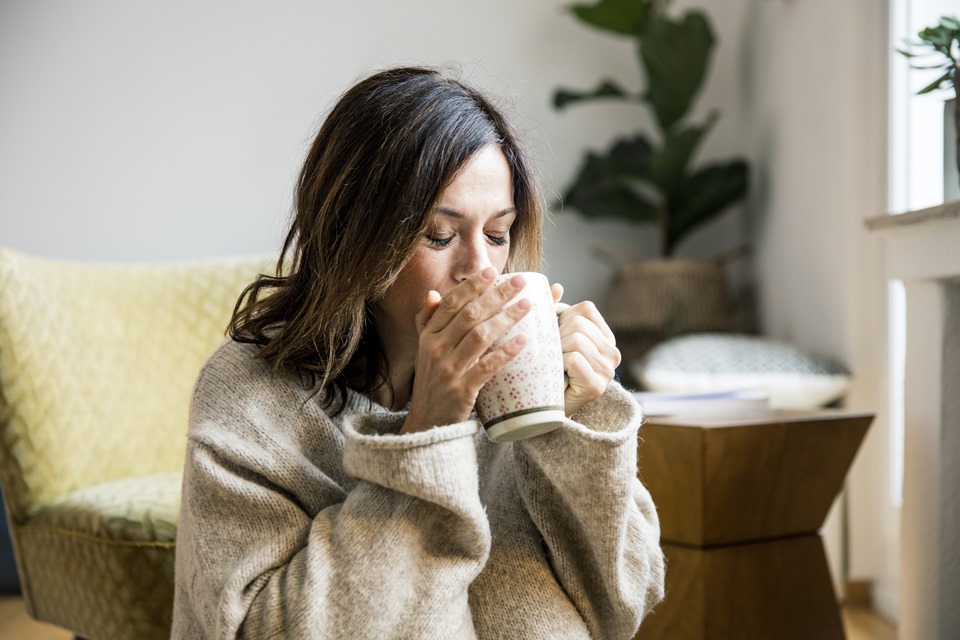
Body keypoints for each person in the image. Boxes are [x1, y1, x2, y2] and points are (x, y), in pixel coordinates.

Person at [172, 66, 665, 639]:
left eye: (499, 234)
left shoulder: (520, 380)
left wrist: (575, 424)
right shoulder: (250, 399)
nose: (480, 269)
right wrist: (428, 434)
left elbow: (621, 601)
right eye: (439, 234)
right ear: (354, 235)